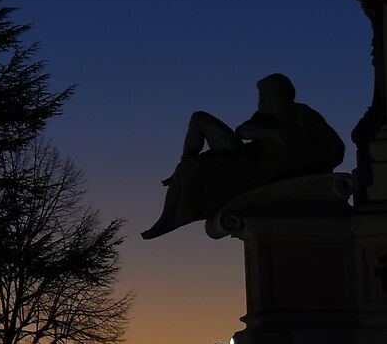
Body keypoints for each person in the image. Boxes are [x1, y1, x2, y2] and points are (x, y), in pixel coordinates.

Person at [141, 73, 345, 239]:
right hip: (246, 157)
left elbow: (334, 150)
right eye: (261, 97)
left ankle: (169, 215)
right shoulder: (266, 117)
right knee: (199, 119)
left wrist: (291, 149)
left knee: (193, 171)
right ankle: (187, 162)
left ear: (282, 96)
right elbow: (242, 131)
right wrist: (271, 133)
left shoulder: (302, 115)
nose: (261, 103)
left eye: (266, 97)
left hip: (260, 170)